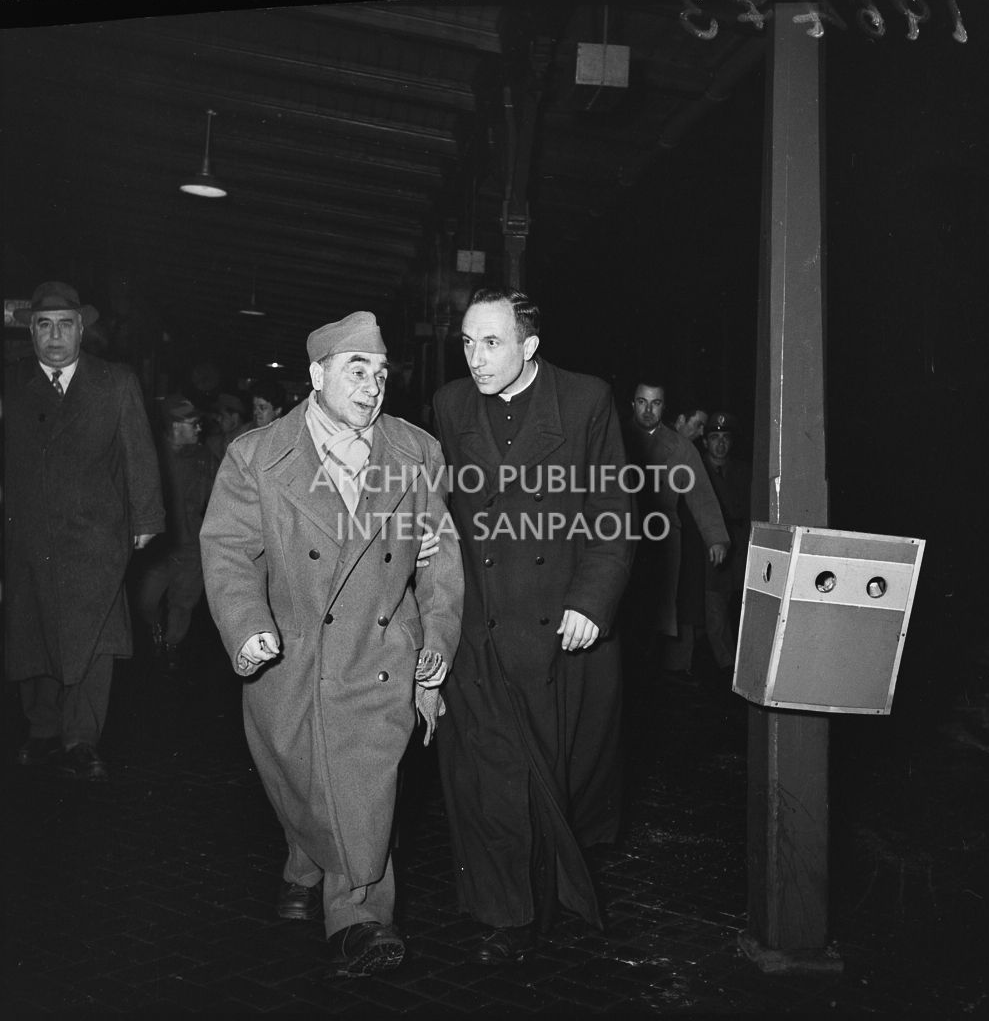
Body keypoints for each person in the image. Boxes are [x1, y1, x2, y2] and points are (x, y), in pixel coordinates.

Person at [199, 311, 462, 978]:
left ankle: (361, 918)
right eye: (357, 370)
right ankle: (303, 857)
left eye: (380, 373)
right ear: (317, 375)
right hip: (292, 655)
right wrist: (247, 623)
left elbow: (441, 555)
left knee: (364, 788)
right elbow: (229, 549)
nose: (374, 386)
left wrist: (437, 634)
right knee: (298, 781)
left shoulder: (417, 451)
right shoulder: (256, 457)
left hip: (380, 657)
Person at [432, 286, 634, 965]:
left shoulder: (584, 401)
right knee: (490, 776)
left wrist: (591, 602)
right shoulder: (451, 405)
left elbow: (613, 514)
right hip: (480, 624)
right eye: (467, 341)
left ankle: (544, 901)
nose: (476, 358)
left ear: (530, 345)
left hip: (555, 626)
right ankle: (504, 915)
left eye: (491, 342)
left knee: (554, 777)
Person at [5, 281, 164, 780]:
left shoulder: (115, 382)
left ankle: (81, 739)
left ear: (81, 330)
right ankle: (43, 729)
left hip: (95, 537)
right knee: (33, 637)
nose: (55, 337)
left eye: (65, 325)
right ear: (32, 332)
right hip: (28, 535)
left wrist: (147, 519)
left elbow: (139, 452)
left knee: (93, 642)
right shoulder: (11, 384)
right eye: (44, 326)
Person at [630, 383, 729, 679]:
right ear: (632, 404)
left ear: (664, 408)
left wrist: (716, 537)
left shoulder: (681, 448)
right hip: (619, 536)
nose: (648, 410)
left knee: (658, 616)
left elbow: (700, 492)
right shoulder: (612, 438)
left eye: (656, 403)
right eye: (642, 402)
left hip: (663, 542)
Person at [137, 394, 216, 673]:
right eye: (192, 424)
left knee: (183, 604)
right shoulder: (151, 456)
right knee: (146, 600)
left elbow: (214, 500)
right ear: (174, 426)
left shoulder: (204, 458)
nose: (199, 429)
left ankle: (171, 650)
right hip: (159, 547)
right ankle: (156, 630)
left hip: (192, 547)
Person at [701, 411, 752, 677]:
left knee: (742, 603)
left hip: (741, 545)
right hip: (712, 548)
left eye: (725, 438)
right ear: (705, 442)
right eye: (714, 437)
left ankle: (745, 663)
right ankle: (726, 667)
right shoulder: (697, 470)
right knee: (715, 607)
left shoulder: (743, 471)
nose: (720, 444)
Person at [206, 391, 253, 463]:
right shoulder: (220, 441)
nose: (218, 419)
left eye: (222, 416)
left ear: (235, 417)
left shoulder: (250, 439)